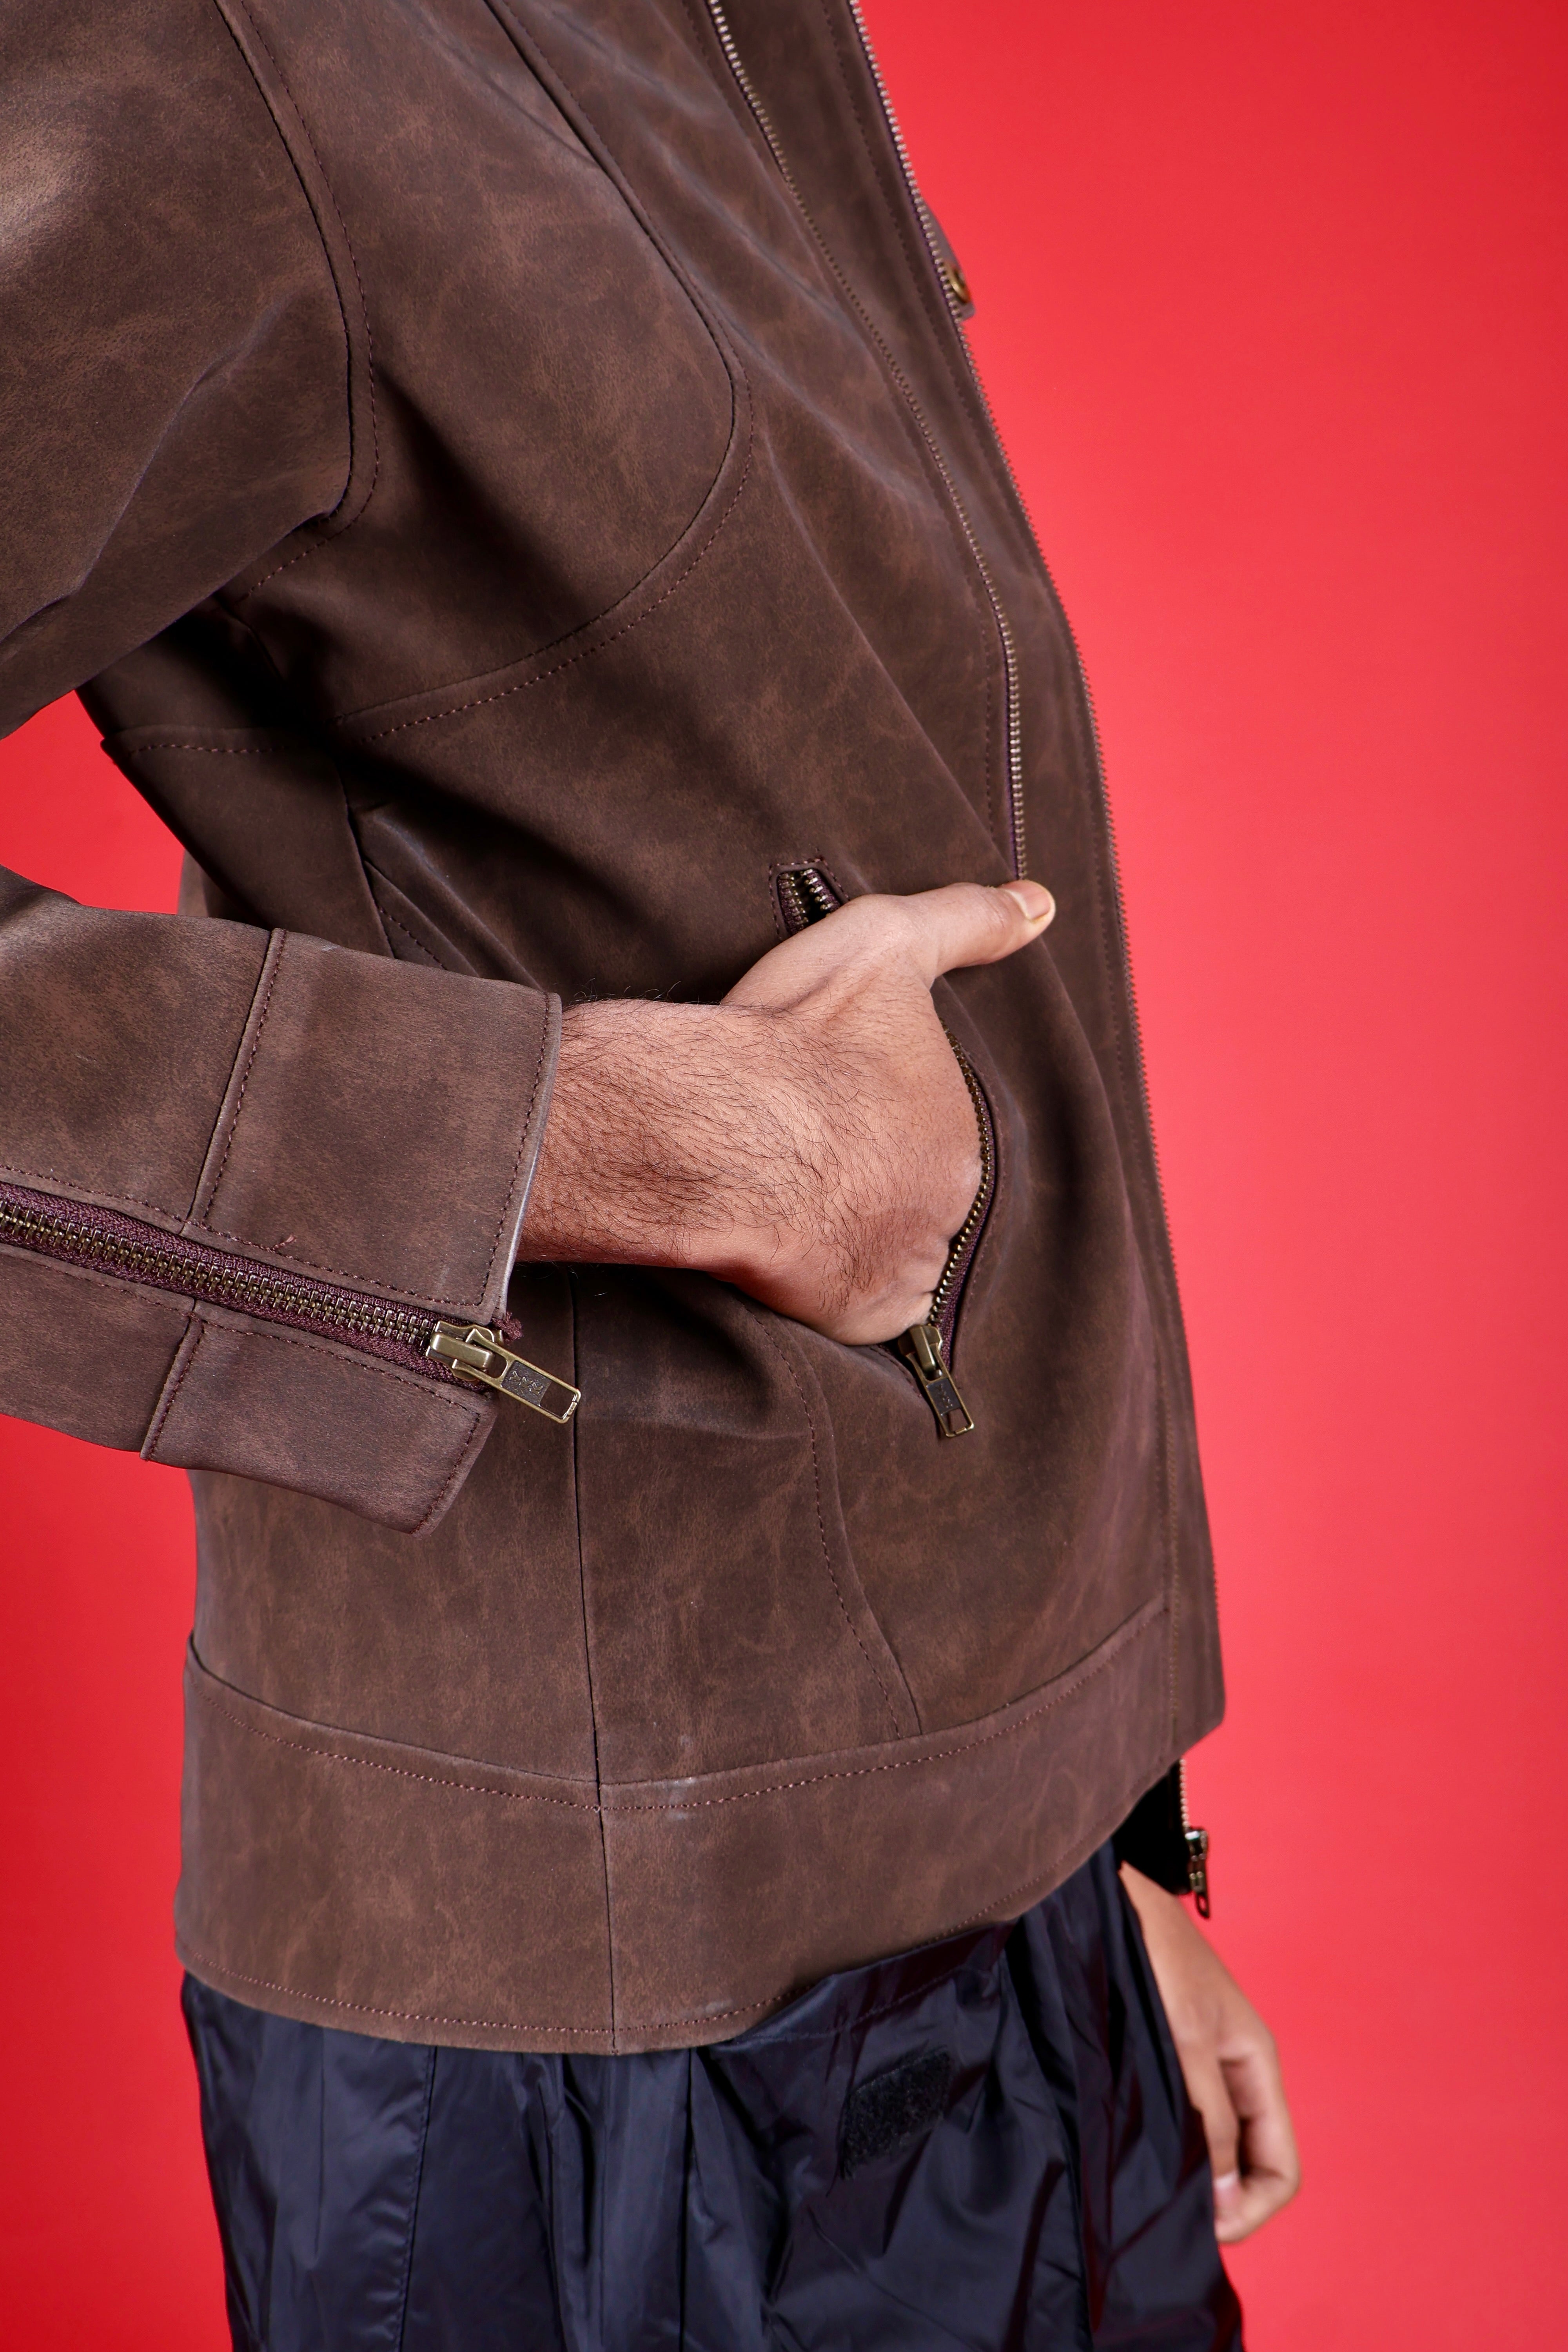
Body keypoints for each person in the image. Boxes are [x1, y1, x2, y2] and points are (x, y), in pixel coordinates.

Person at [2, 1, 1298, 2342]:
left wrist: (1089, 1844)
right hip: (608, 2027)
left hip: (994, 1926)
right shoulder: (219, 57)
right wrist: (645, 1145)